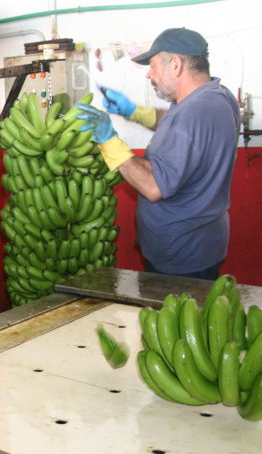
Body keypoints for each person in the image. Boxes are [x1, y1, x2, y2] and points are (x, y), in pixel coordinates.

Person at [76, 27, 240, 280]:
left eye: (152, 66)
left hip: (182, 253)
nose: (149, 75)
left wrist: (109, 141)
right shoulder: (216, 96)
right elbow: (179, 128)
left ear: (175, 64)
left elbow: (153, 187)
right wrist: (134, 111)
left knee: (177, 317)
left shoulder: (192, 114)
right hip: (203, 239)